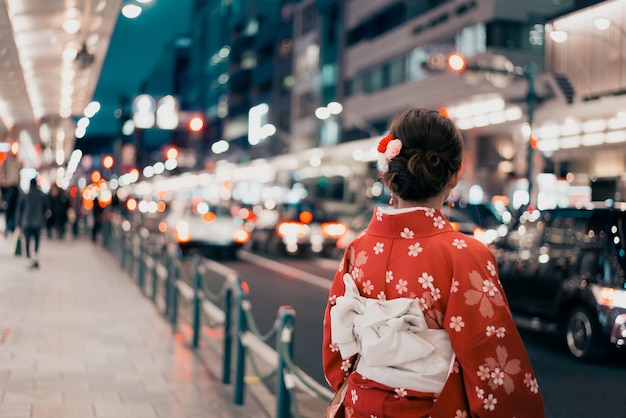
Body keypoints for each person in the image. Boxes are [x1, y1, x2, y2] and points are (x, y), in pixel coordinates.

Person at [322, 107, 545, 417]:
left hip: (360, 408)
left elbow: (337, 351)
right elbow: (491, 361)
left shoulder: (357, 250)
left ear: (389, 175)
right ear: (455, 175)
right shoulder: (464, 254)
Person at [16, 177, 49, 268]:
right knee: (37, 240)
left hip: (26, 222)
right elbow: (46, 208)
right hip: (38, 222)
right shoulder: (41, 195)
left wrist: (18, 222)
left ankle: (28, 258)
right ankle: (35, 255)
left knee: (27, 240)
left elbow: (19, 209)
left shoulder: (25, 195)